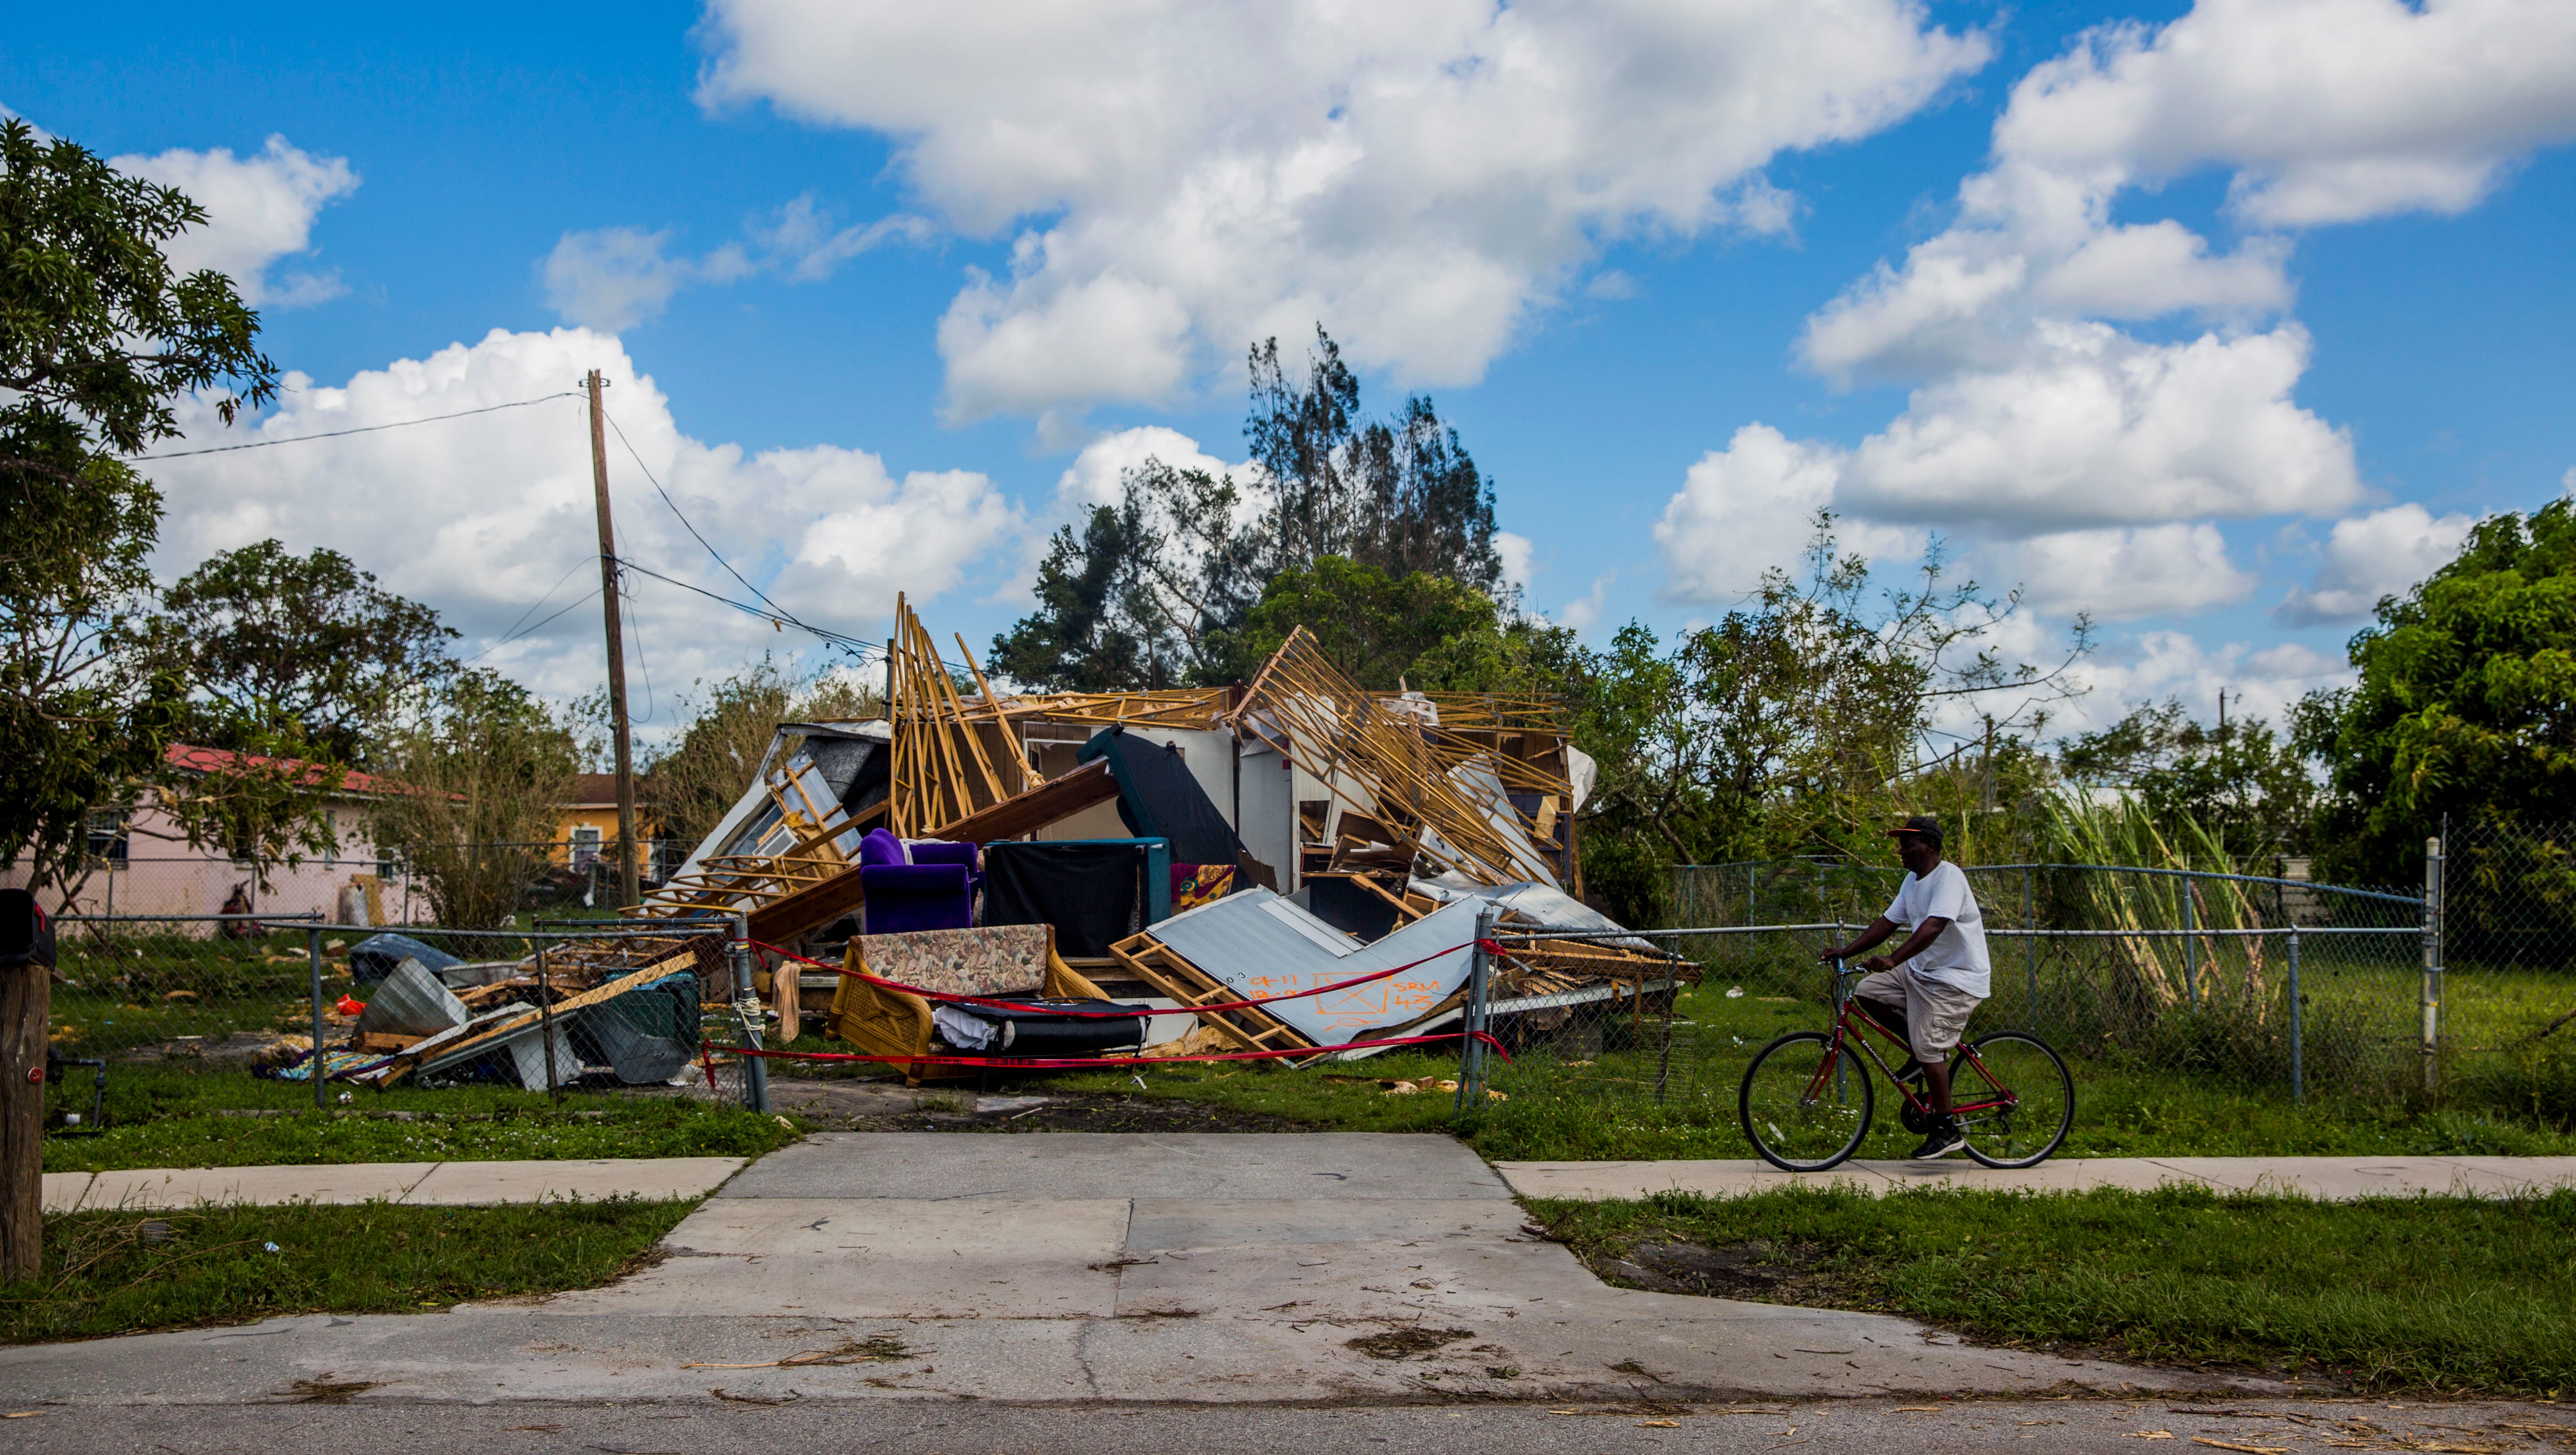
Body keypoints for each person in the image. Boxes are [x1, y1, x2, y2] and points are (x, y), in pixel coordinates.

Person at [1816, 815, 1990, 1160]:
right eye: (1901, 845)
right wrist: (1846, 951)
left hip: (1954, 980)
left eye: (1908, 844)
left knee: (1930, 1048)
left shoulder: (1948, 878)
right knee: (1868, 992)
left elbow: (1935, 925)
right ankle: (1918, 1053)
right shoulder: (1912, 882)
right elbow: (1887, 922)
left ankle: (1946, 1129)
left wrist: (1894, 959)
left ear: (1930, 845)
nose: (1901, 851)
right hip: (1921, 972)